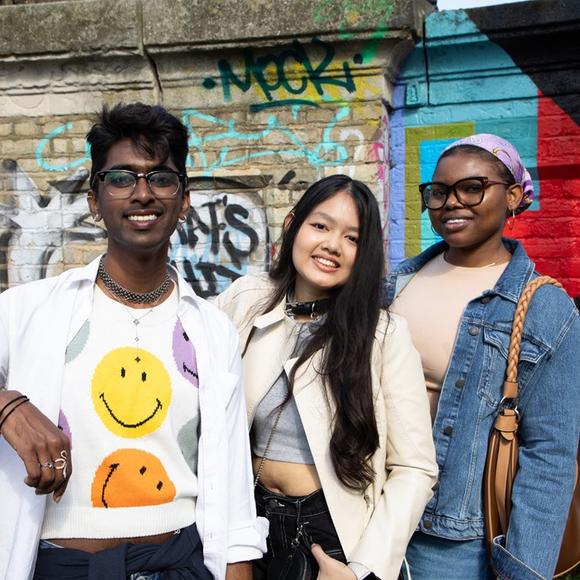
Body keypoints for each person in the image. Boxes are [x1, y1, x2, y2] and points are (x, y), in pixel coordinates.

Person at [0, 102, 266, 580]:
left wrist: (238, 567)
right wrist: (7, 405)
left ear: (184, 200)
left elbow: (231, 475)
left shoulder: (210, 329)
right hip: (59, 566)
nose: (142, 193)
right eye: (121, 178)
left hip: (178, 563)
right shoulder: (29, 309)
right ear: (94, 200)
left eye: (160, 178)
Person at [215, 174, 438, 580]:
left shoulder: (383, 335)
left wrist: (362, 568)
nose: (333, 245)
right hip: (250, 523)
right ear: (292, 225)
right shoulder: (246, 300)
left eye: (352, 238)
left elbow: (415, 468)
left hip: (333, 536)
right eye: (320, 226)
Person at [386, 134, 580, 579]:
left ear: (512, 196)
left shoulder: (545, 308)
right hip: (371, 514)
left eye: (472, 188)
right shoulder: (397, 283)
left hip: (452, 543)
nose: (451, 202)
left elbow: (550, 455)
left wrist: (523, 570)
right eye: (438, 191)